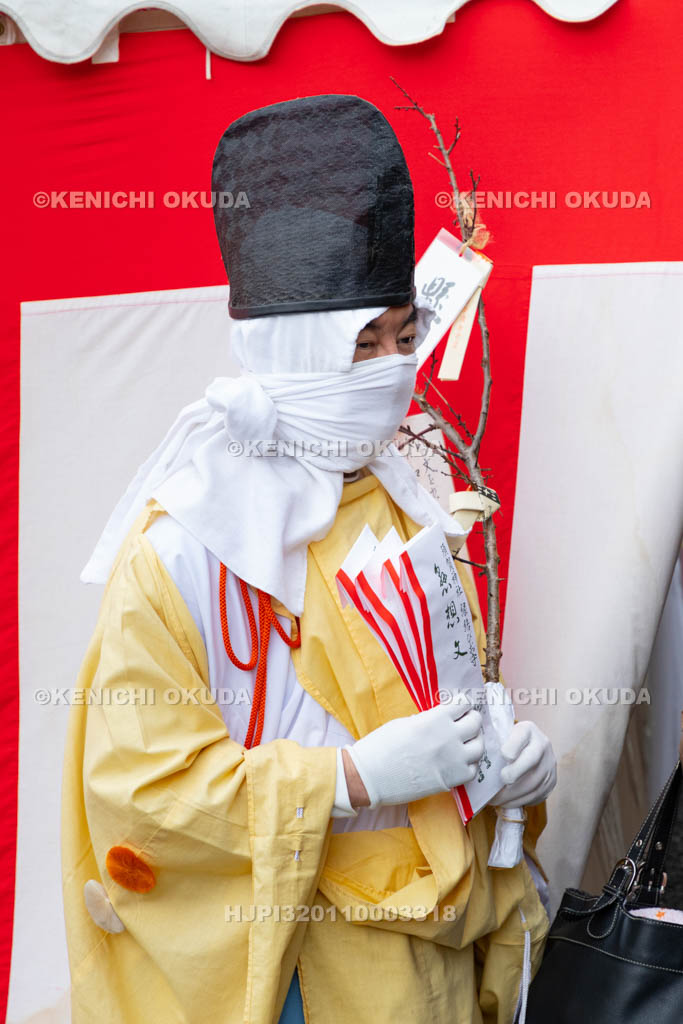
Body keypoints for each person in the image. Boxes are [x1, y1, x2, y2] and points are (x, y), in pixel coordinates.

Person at [61, 94, 556, 1024]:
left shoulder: (405, 491)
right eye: (359, 343)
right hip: (281, 964)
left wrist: (501, 766)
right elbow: (139, 786)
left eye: (402, 336)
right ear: (286, 351)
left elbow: (437, 684)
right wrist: (349, 782)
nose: (388, 369)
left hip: (416, 959)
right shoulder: (187, 543)